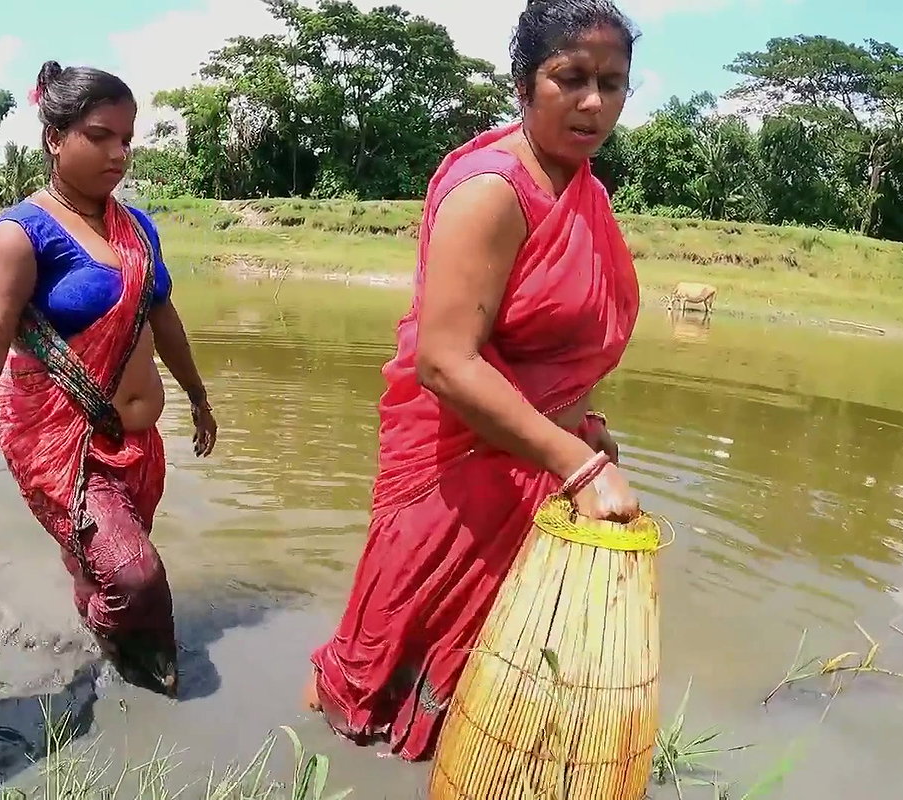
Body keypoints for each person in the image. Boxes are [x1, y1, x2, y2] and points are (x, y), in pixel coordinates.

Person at [304, 0, 643, 762]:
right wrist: (577, 464)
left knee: (490, 680)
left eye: (614, 83)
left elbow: (546, 348)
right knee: (388, 667)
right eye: (572, 79)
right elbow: (445, 363)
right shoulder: (492, 191)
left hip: (534, 459)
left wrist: (581, 429)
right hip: (452, 470)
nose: (595, 103)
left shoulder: (585, 189)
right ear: (524, 84)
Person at [0, 62, 218, 697]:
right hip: (63, 445)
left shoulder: (138, 227)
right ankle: (128, 652)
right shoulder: (20, 236)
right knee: (137, 575)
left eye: (127, 138)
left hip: (138, 444)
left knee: (110, 557)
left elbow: (161, 315)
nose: (120, 153)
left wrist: (197, 396)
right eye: (100, 135)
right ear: (54, 137)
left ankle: (95, 602)